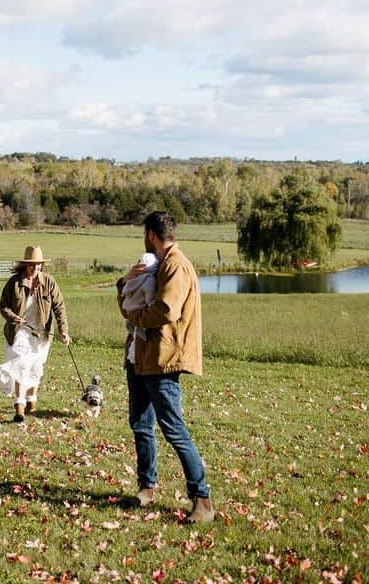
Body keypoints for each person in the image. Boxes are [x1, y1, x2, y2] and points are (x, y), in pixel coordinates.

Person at [118, 211, 214, 524]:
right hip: (140, 357)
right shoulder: (156, 264)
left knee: (174, 429)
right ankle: (147, 487)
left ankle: (202, 499)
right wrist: (125, 283)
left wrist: (133, 316)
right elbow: (130, 299)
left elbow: (166, 310)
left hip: (162, 360)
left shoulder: (175, 265)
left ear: (150, 235)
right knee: (141, 424)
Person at [0, 245, 70, 422]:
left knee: (36, 367)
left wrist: (63, 330)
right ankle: (19, 407)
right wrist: (13, 317)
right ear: (25, 265)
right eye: (31, 265)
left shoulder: (49, 282)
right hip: (19, 331)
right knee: (21, 364)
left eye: (38, 265)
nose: (35, 268)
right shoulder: (14, 282)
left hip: (41, 332)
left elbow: (59, 308)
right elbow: (3, 306)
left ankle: (31, 403)